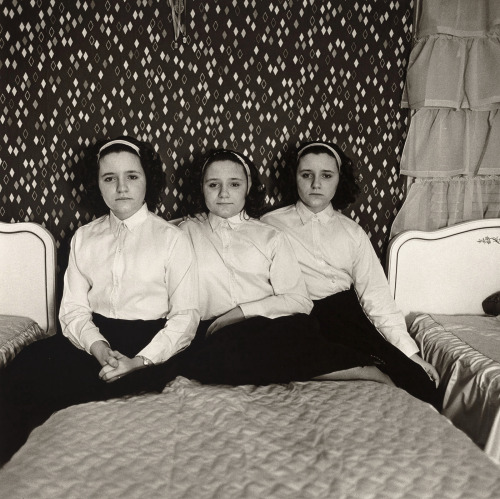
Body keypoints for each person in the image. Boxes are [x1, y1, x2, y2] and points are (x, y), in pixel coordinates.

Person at [0, 136, 199, 464]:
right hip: (94, 341)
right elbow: (74, 310)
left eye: (132, 176)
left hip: (149, 345)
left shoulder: (172, 240)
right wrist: (98, 347)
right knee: (21, 373)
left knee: (98, 387)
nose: (122, 187)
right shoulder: (84, 237)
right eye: (110, 178)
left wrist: (137, 362)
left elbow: (186, 317)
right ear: (97, 185)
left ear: (148, 179)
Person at [179, 148, 386, 386]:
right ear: (202, 188)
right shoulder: (185, 233)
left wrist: (239, 313)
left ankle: (363, 368)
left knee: (295, 331)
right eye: (213, 184)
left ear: (248, 187)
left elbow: (300, 300)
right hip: (214, 335)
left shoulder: (270, 235)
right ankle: (351, 368)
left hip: (269, 328)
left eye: (234, 184)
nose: (224, 193)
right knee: (210, 359)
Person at [261, 140, 441, 408]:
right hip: (297, 318)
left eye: (326, 176)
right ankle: (360, 372)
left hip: (345, 317)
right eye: (306, 175)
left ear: (338, 180)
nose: (316, 184)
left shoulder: (352, 232)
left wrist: (411, 354)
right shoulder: (270, 224)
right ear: (294, 177)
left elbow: (377, 297)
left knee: (419, 384)